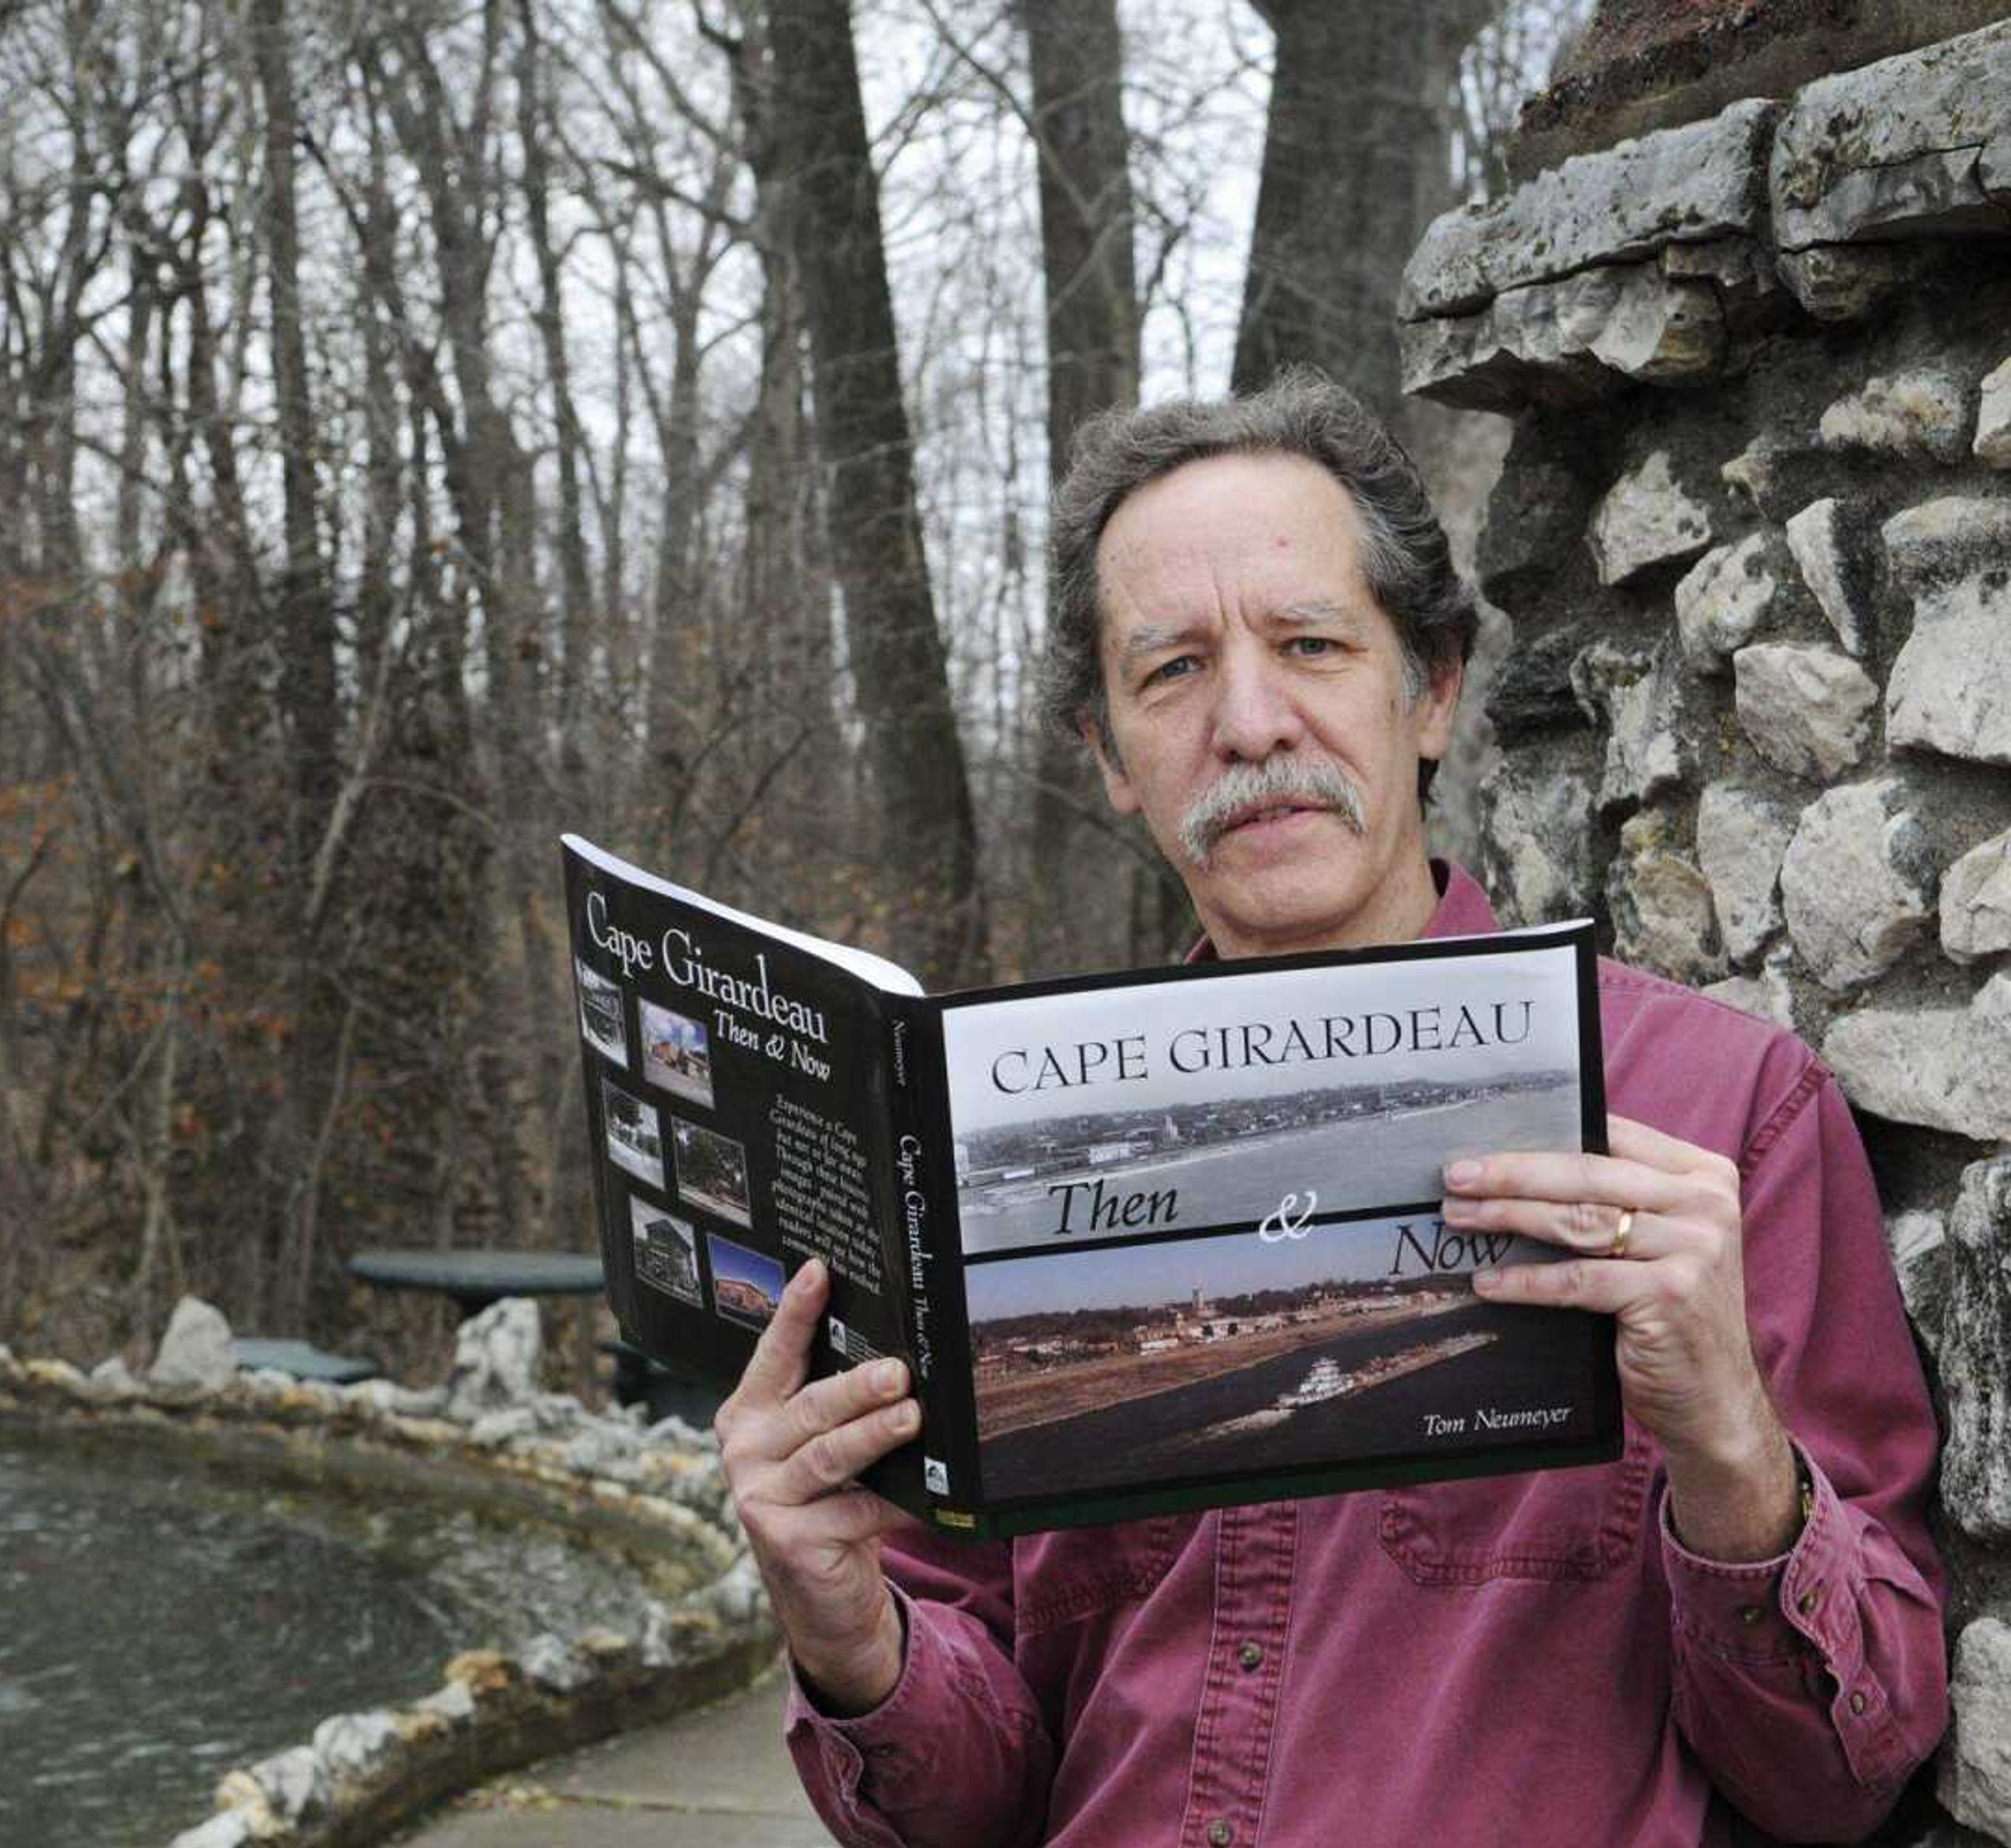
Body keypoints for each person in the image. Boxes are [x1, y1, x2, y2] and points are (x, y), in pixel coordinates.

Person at [721, 370, 1947, 1846]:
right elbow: (972, 1809)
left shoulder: (1713, 1121)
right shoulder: (996, 1159)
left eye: (1309, 644)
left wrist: (1733, 1454)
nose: (1249, 723)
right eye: (1171, 672)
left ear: (1429, 692)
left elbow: (1848, 1773)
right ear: (1111, 757)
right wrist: (852, 1635)